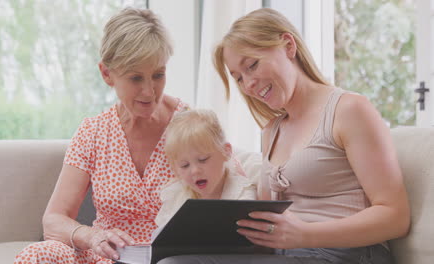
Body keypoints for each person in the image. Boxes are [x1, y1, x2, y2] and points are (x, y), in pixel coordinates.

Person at [158, 8, 410, 264]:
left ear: (288, 45)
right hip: (288, 255)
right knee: (174, 260)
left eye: (252, 65)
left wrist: (306, 235)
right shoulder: (271, 131)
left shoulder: (348, 110)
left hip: (348, 255)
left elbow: (395, 216)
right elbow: (266, 220)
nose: (248, 84)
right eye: (239, 78)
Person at [14, 7, 189, 264]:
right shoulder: (93, 132)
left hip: (168, 259)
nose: (149, 91)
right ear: (107, 74)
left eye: (158, 75)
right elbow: (53, 220)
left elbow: (230, 192)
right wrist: (93, 236)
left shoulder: (190, 125)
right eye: (136, 78)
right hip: (105, 257)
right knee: (38, 254)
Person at [155, 109, 256, 227]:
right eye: (185, 165)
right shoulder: (175, 196)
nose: (195, 171)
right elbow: (162, 238)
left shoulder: (243, 194)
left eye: (203, 159)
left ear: (226, 151)